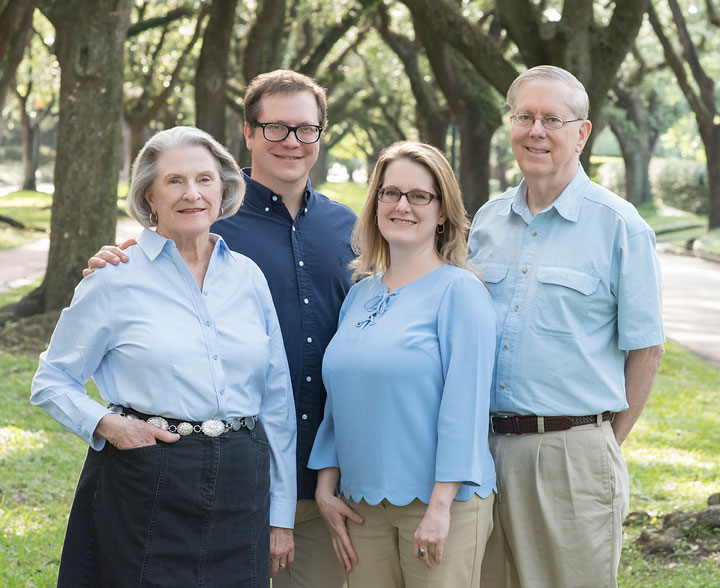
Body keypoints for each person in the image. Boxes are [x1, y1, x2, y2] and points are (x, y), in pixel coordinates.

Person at [83, 70, 357, 587]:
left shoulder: (352, 231)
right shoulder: (205, 223)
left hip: (329, 475)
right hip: (227, 475)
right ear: (248, 134)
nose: (291, 142)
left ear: (322, 134)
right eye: (275, 128)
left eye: (306, 129)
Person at [31, 126, 297, 587]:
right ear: (148, 195)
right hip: (145, 476)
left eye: (204, 179)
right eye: (174, 181)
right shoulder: (113, 277)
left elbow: (277, 401)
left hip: (242, 482)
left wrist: (282, 513)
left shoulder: (248, 277)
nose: (191, 194)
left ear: (224, 189)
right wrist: (109, 425)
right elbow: (51, 380)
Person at [468, 65, 665, 588]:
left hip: (570, 456)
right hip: (478, 453)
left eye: (552, 119)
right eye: (524, 116)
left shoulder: (620, 226)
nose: (536, 130)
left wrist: (600, 443)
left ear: (582, 132)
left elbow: (647, 350)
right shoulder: (485, 223)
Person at [308, 141, 497, 588]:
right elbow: (340, 399)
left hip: (438, 504)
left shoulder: (461, 292)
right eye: (390, 193)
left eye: (419, 196)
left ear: (443, 211)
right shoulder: (359, 294)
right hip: (360, 503)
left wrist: (438, 508)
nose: (402, 206)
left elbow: (465, 407)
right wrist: (325, 484)